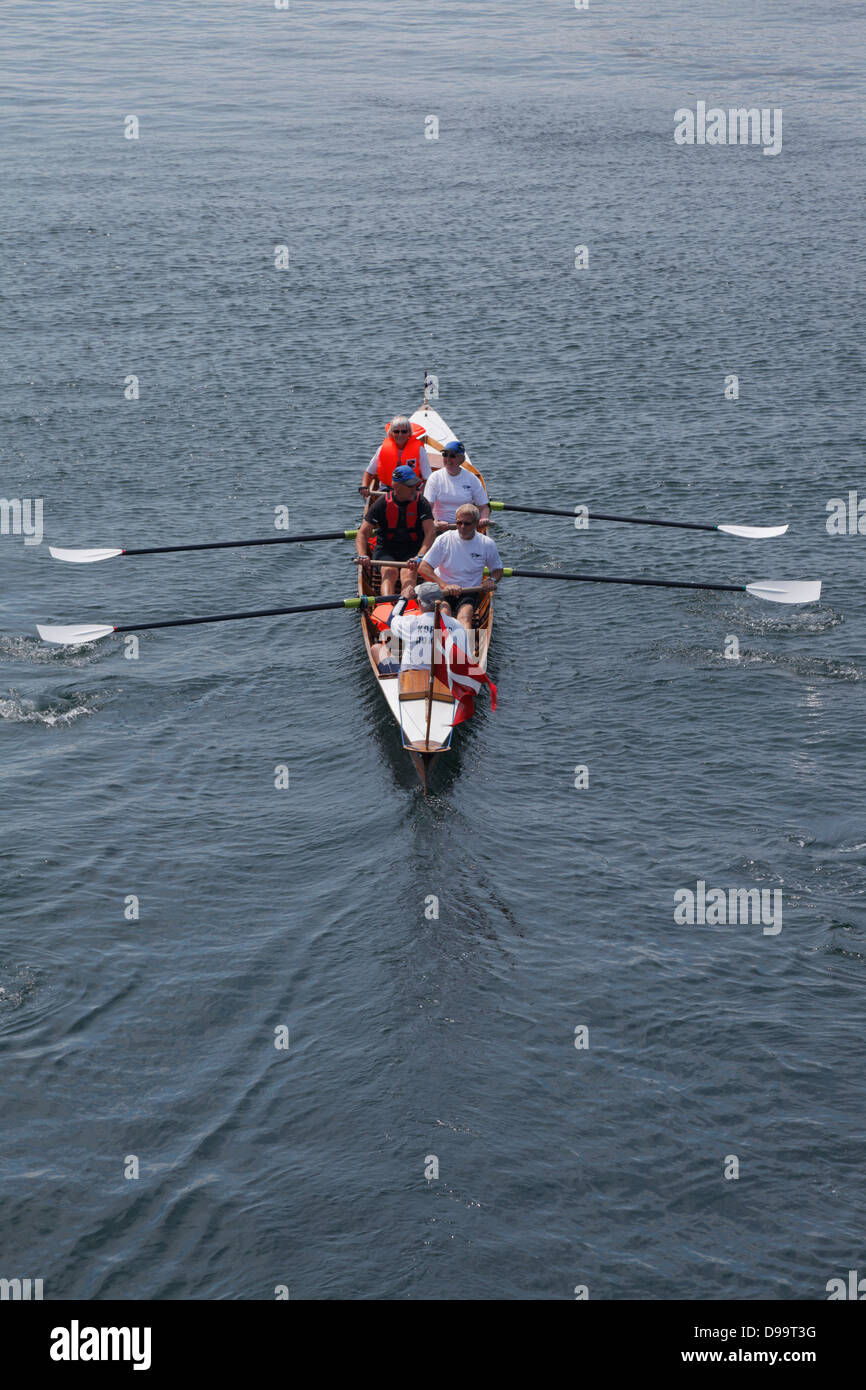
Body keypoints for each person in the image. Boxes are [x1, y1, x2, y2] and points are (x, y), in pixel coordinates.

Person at [416, 504, 503, 634]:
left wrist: (491, 579)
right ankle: (443, 649)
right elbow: (423, 567)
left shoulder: (486, 543)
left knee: (465, 616)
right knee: (444, 613)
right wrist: (444, 585)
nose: (462, 527)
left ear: (476, 524)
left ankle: (465, 651)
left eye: (467, 524)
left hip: (469, 590)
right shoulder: (444, 539)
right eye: (459, 522)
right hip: (442, 589)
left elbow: (497, 570)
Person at [355, 465, 436, 596]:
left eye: (415, 485)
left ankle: (405, 606)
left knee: (408, 573)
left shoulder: (421, 502)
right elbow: (362, 533)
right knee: (389, 571)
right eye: (410, 486)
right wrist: (363, 554)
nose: (414, 489)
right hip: (386, 549)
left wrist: (420, 556)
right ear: (397, 486)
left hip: (412, 549)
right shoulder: (382, 503)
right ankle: (387, 606)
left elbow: (430, 533)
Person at [371, 582, 469, 675]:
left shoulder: (411, 622)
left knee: (376, 649)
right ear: (441, 601)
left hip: (410, 681)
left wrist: (403, 599)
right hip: (444, 679)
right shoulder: (456, 624)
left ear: (419, 602)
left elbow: (391, 619)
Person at [359, 415, 432, 502]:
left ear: (409, 433)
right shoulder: (382, 449)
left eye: (404, 431)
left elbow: (427, 478)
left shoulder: (419, 450)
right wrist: (364, 486)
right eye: (396, 431)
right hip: (386, 491)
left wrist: (420, 493)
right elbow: (369, 472)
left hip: (411, 492)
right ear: (391, 433)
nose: (400, 435)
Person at [424, 440, 490, 531]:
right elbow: (427, 507)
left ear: (461, 459)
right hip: (441, 527)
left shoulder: (471, 478)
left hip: (466, 526)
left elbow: (484, 507)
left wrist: (483, 518)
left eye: (452, 456)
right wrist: (435, 521)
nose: (448, 459)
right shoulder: (435, 477)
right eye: (445, 455)